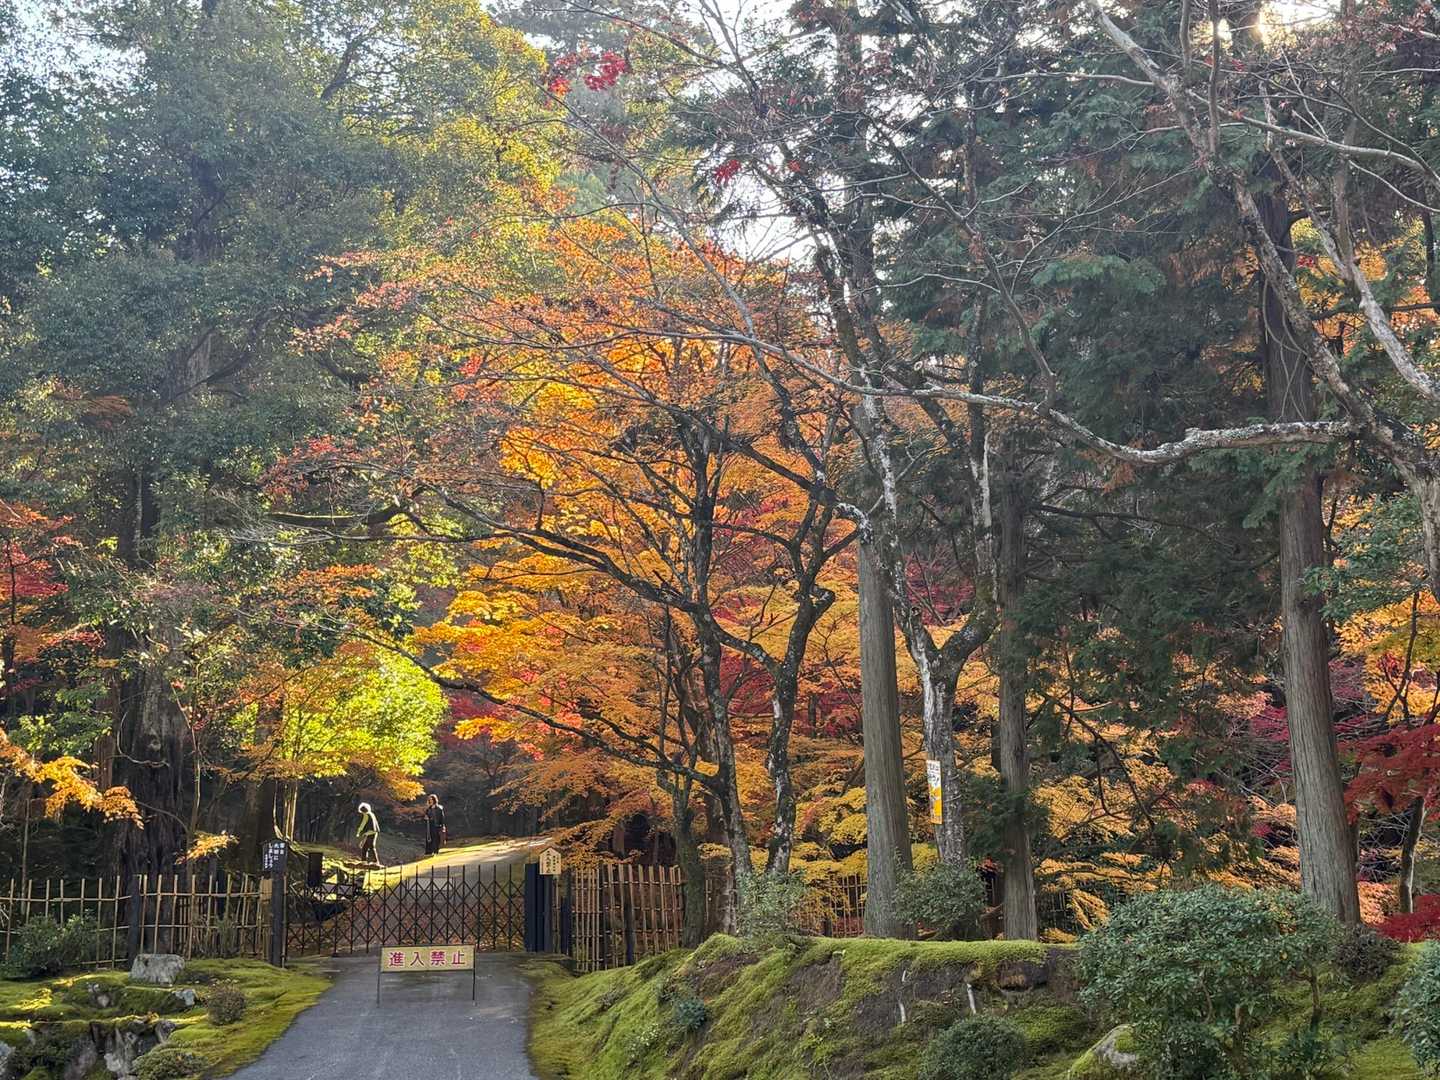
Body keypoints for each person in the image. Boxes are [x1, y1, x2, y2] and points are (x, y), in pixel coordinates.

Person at [356, 801, 381, 866]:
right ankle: (364, 861)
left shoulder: (366, 815)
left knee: (370, 847)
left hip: (370, 832)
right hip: (374, 832)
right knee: (365, 847)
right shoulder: (371, 814)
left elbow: (363, 824)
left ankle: (375, 862)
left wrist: (358, 832)